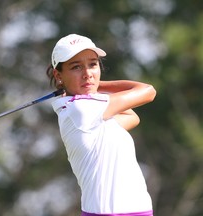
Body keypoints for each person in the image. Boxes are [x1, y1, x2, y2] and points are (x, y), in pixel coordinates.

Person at [46, 34, 156, 216]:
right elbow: (148, 91)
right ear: (59, 75)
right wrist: (98, 84)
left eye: (92, 64)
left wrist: (92, 85)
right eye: (76, 67)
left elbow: (132, 117)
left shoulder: (87, 110)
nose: (87, 73)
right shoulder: (81, 110)